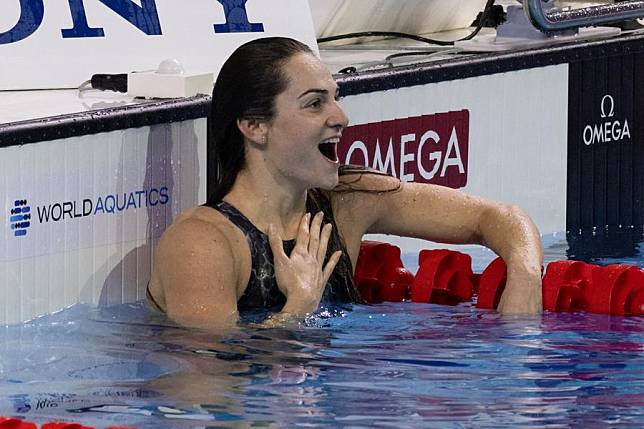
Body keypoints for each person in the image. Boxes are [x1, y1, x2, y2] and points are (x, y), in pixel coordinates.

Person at [147, 37, 543, 329]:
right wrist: (297, 310)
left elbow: (498, 216)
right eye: (314, 103)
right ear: (255, 127)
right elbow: (204, 385)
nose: (341, 116)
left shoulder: (347, 201)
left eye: (335, 97)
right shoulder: (204, 245)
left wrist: (525, 275)